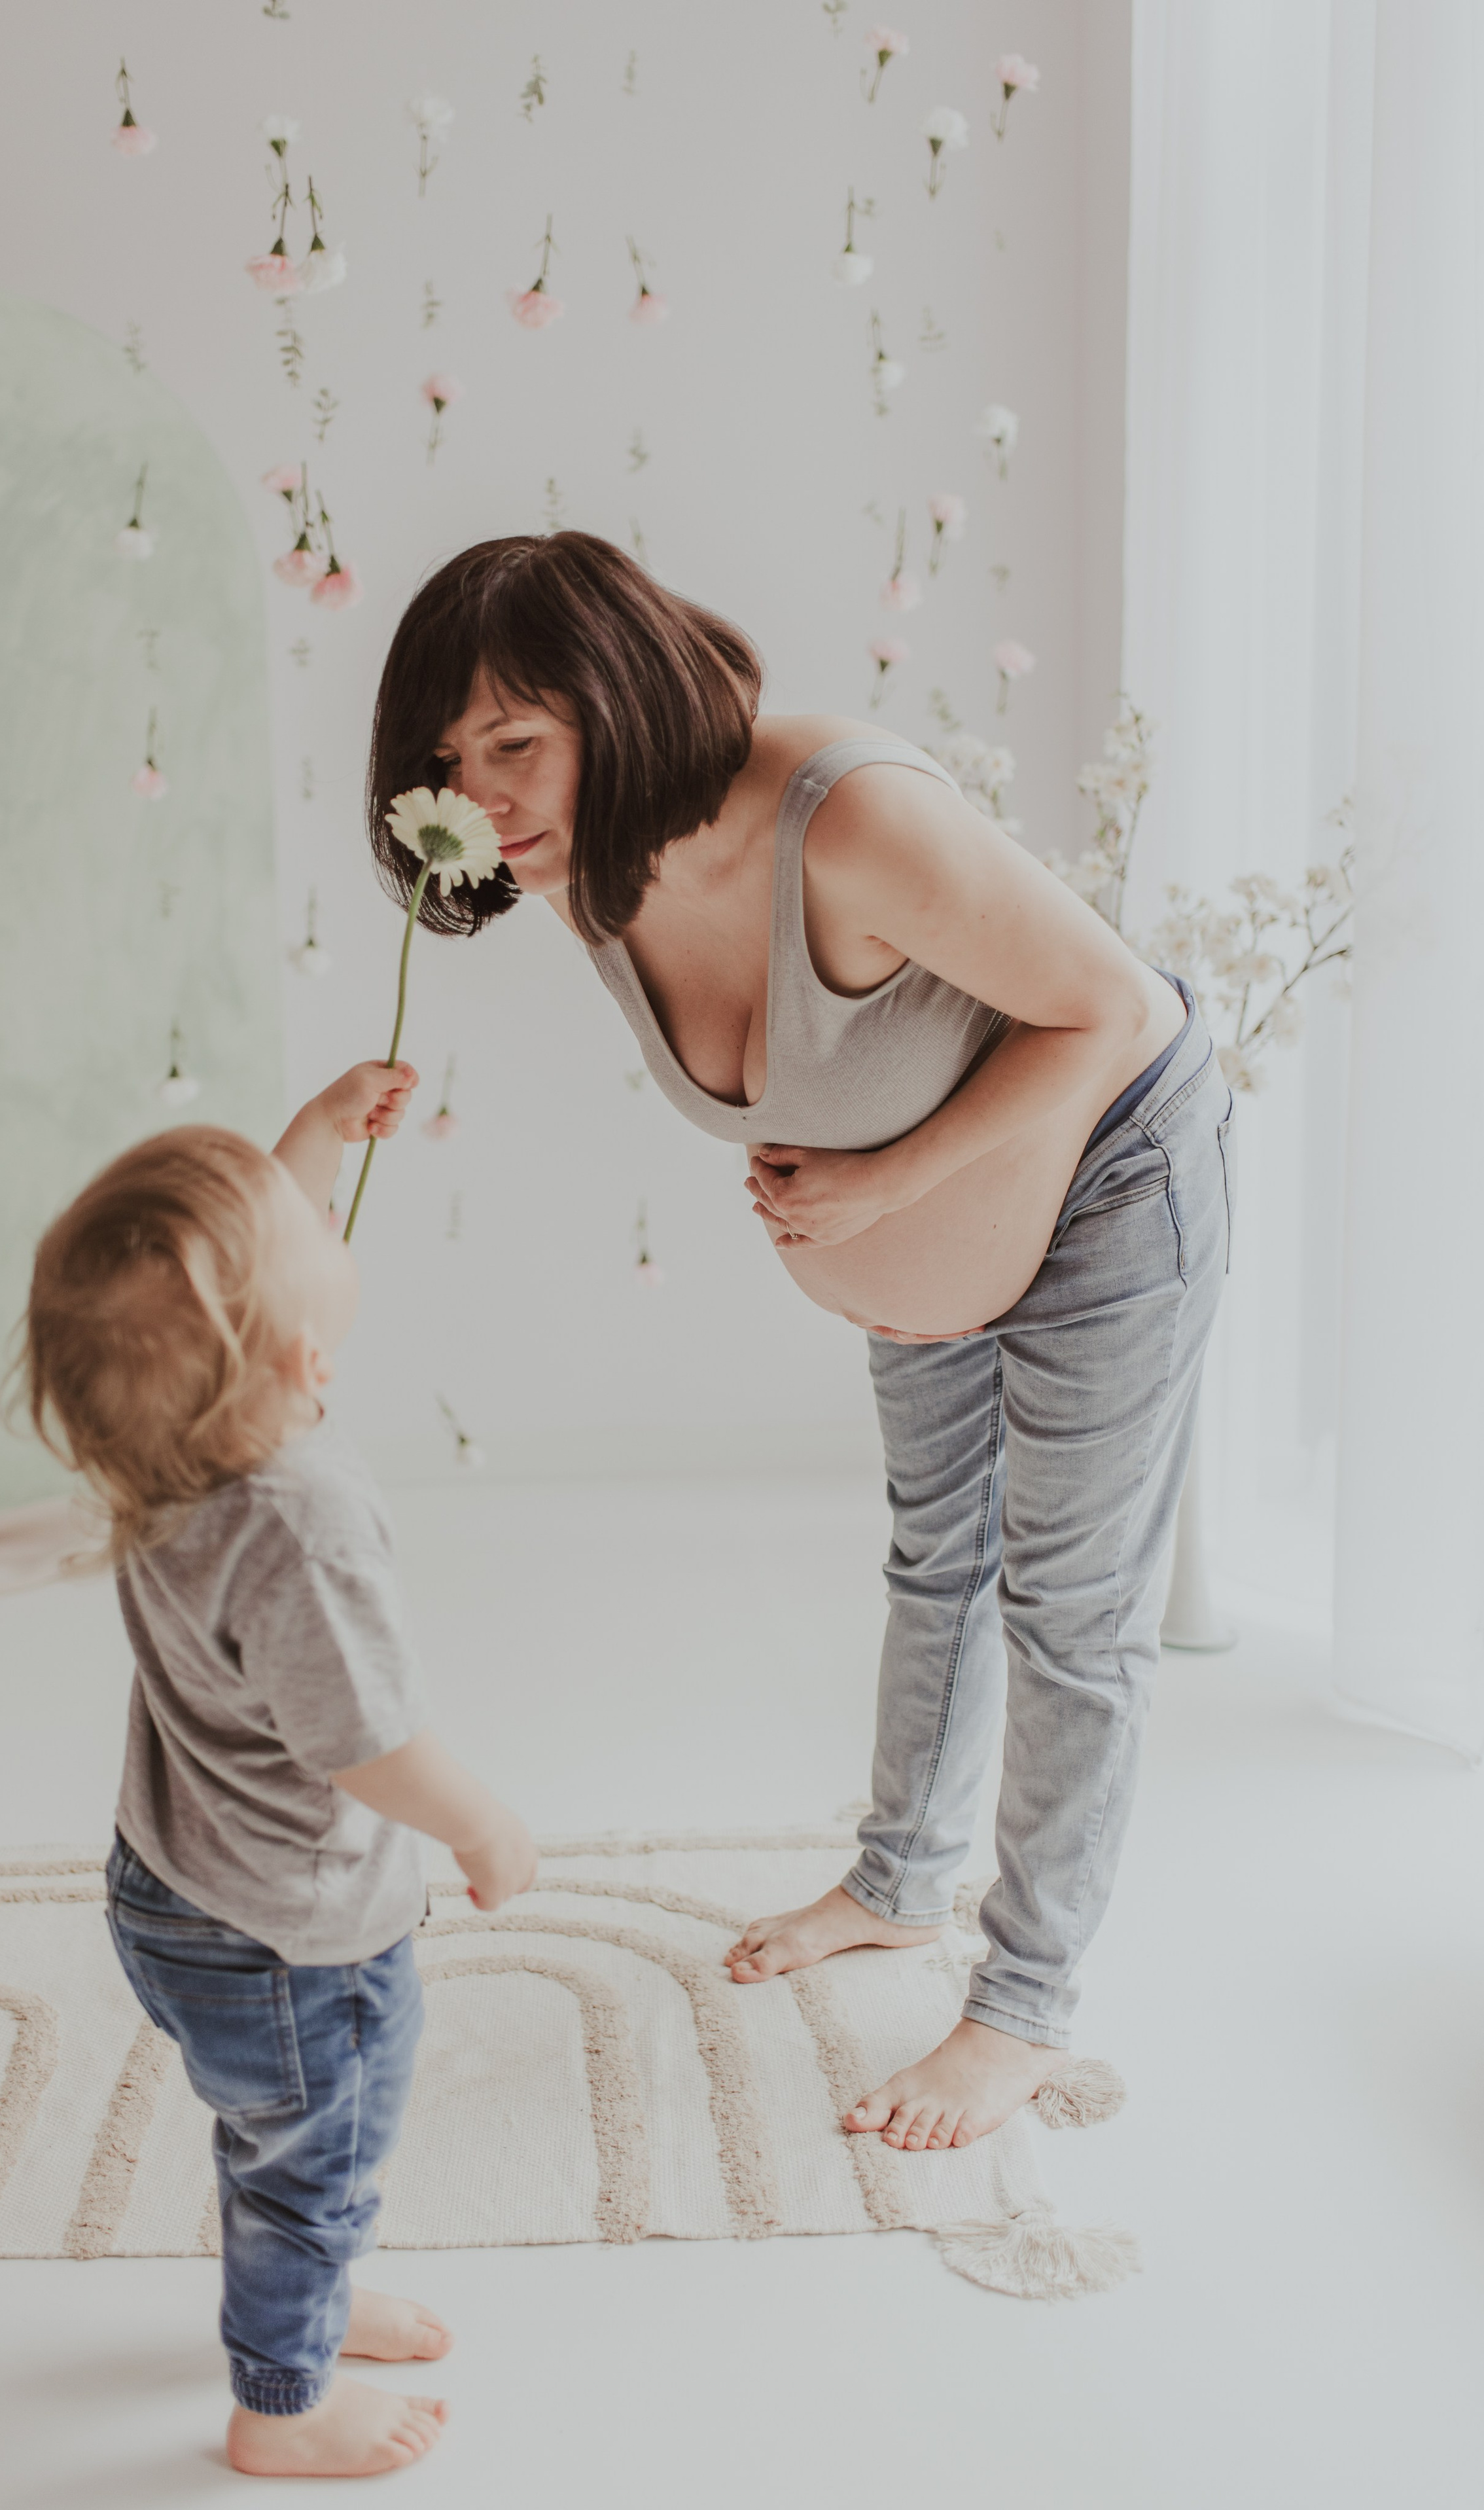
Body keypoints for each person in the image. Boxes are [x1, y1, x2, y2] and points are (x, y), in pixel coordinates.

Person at [366, 531, 1233, 2157]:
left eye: (512, 743)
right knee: (935, 1562)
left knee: (1070, 1609)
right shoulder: (582, 874)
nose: (476, 800)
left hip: (1111, 1173)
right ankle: (899, 1883)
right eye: (445, 760)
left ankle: (1022, 2008)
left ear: (614, 701)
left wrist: (887, 1188)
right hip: (943, 1248)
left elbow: (1117, 1012)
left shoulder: (845, 815)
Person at [19, 1061, 537, 2480]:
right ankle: (282, 2403)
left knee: (275, 2137)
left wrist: (312, 1135)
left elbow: (238, 1280)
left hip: (170, 1884)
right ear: (307, 1358)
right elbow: (367, 1745)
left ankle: (309, 2293)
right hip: (291, 1939)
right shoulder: (297, 1524)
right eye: (307, 1225)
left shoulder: (167, 1438)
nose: (318, 1219)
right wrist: (482, 1824)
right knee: (317, 2160)